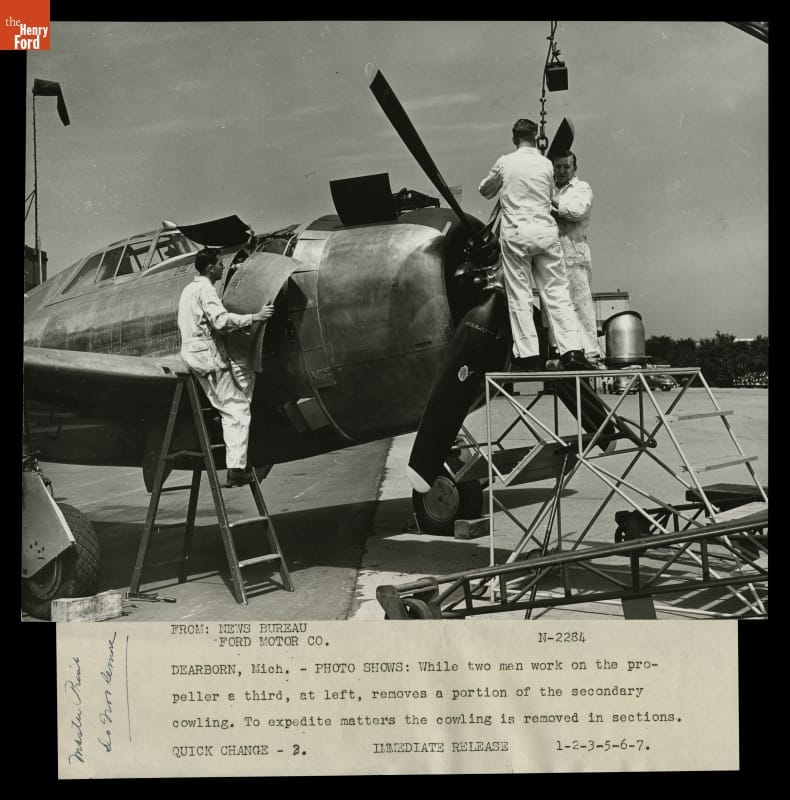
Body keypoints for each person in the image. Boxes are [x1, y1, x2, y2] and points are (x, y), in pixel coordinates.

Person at [479, 118, 596, 371]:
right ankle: (572, 351)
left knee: (520, 294)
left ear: (514, 138)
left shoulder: (505, 162)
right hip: (545, 234)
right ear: (535, 138)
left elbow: (485, 190)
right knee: (558, 294)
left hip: (516, 235)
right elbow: (551, 196)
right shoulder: (546, 165)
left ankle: (529, 355)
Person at [178, 247, 274, 487]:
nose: (223, 267)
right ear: (210, 268)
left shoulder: (189, 290)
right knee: (237, 409)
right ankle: (236, 470)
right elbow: (221, 322)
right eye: (220, 264)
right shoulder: (205, 290)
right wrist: (256, 317)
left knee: (236, 396)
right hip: (207, 355)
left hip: (193, 354)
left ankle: (237, 461)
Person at [551, 150, 604, 365]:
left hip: (574, 254)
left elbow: (576, 211)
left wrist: (551, 205)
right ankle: (562, 351)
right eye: (558, 167)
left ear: (574, 169)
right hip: (553, 255)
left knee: (581, 305)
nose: (562, 171)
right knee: (555, 306)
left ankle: (590, 352)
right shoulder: (550, 188)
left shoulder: (582, 188)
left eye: (566, 167)